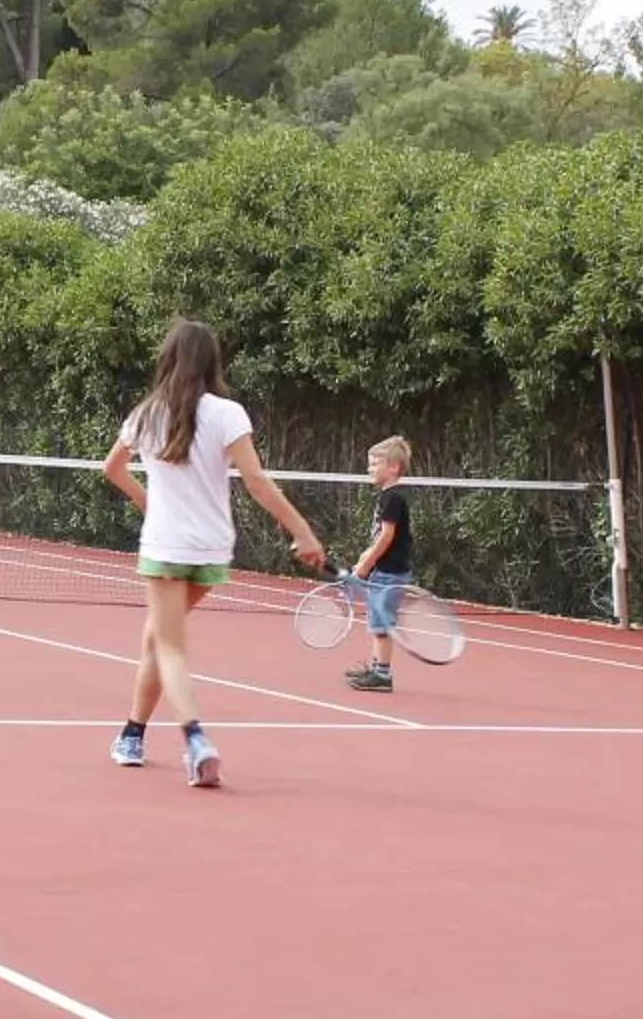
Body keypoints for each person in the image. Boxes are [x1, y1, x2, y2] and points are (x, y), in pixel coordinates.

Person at [101, 318, 326, 787]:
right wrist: (302, 531)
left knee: (170, 648)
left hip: (166, 547)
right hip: (212, 551)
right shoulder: (228, 413)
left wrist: (150, 506)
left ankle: (196, 738)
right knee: (156, 640)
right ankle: (132, 734)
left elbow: (113, 469)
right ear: (212, 362)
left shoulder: (146, 415)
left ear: (168, 358)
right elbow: (258, 482)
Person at [344, 436, 417, 694]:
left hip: (390, 573)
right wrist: (364, 560)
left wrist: (365, 566)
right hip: (383, 571)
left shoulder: (392, 499)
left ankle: (382, 675)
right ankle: (376, 667)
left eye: (375, 464)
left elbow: (387, 537)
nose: (369, 469)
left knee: (381, 625)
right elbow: (379, 537)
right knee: (377, 621)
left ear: (393, 467)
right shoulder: (387, 497)